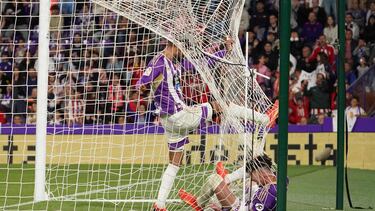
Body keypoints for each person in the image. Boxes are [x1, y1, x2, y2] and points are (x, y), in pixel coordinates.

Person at [136, 38, 279, 211]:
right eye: (183, 49)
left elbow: (202, 63)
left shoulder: (175, 63)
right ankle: (265, 118)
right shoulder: (159, 62)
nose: (184, 53)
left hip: (169, 122)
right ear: (174, 45)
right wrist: (144, 88)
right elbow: (141, 85)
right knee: (222, 105)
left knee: (174, 163)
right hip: (179, 115)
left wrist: (223, 51)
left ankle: (159, 205)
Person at [178, 154, 278, 211]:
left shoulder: (268, 194)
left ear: (259, 172)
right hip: (243, 203)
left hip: (238, 209)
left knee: (214, 179)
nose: (251, 177)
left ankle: (199, 204)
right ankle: (226, 179)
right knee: (247, 184)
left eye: (251, 174)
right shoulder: (276, 179)